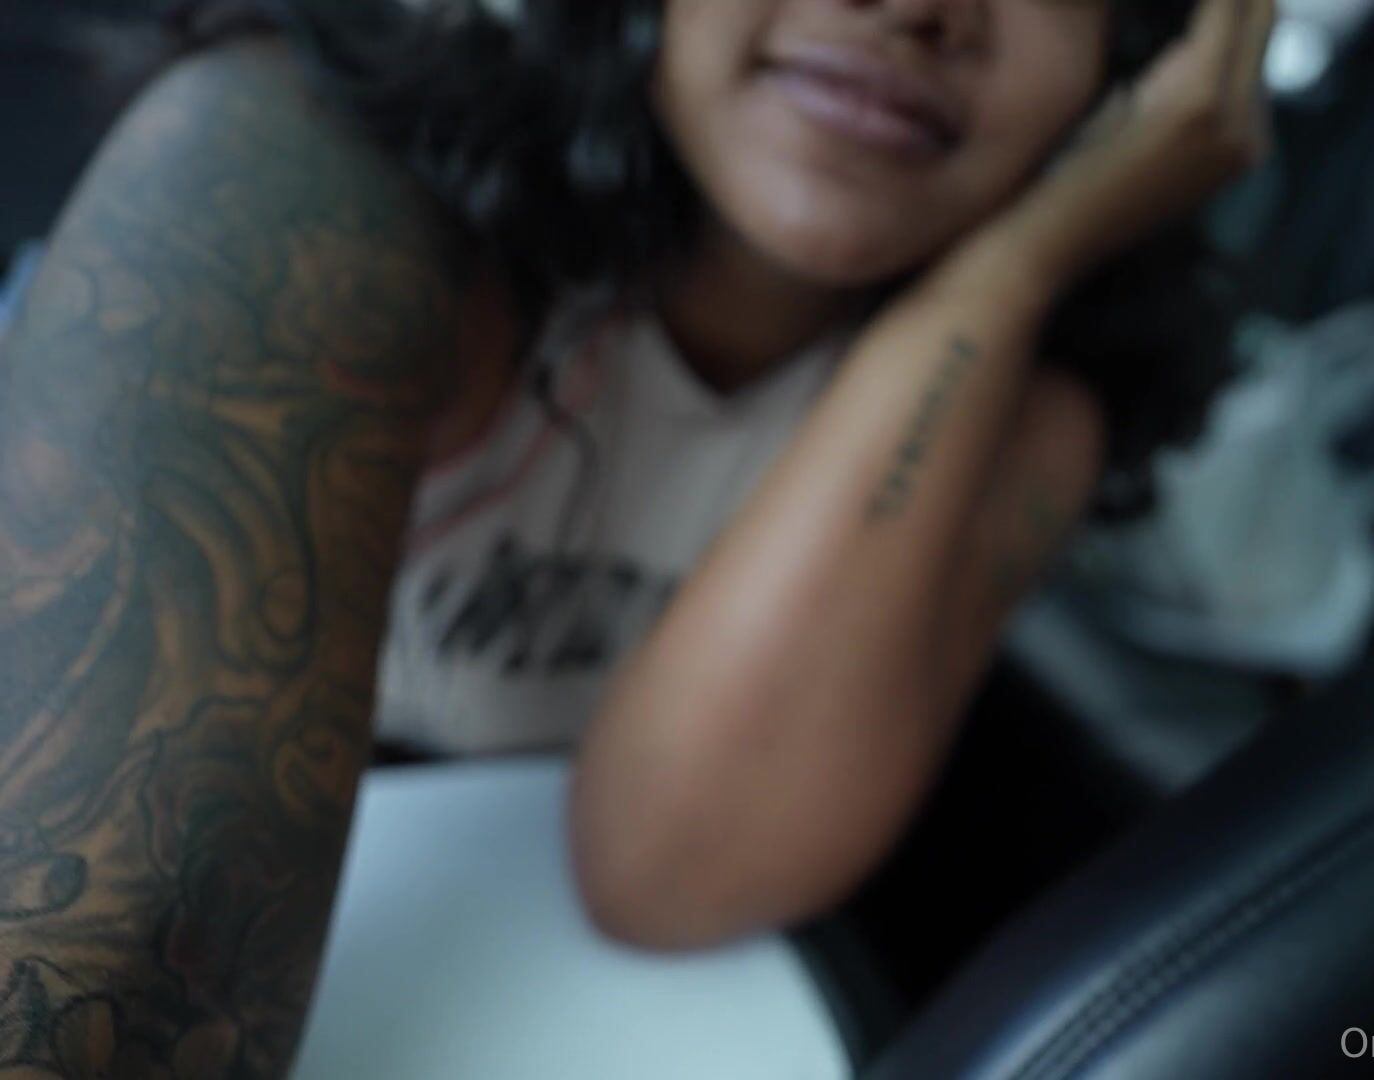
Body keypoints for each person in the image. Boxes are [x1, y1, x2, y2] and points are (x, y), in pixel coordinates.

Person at [0, 0, 1276, 1074]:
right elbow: (95, 971)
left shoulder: (1022, 409)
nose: (916, 8)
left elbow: (665, 875)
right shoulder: (319, 180)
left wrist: (1006, 275)